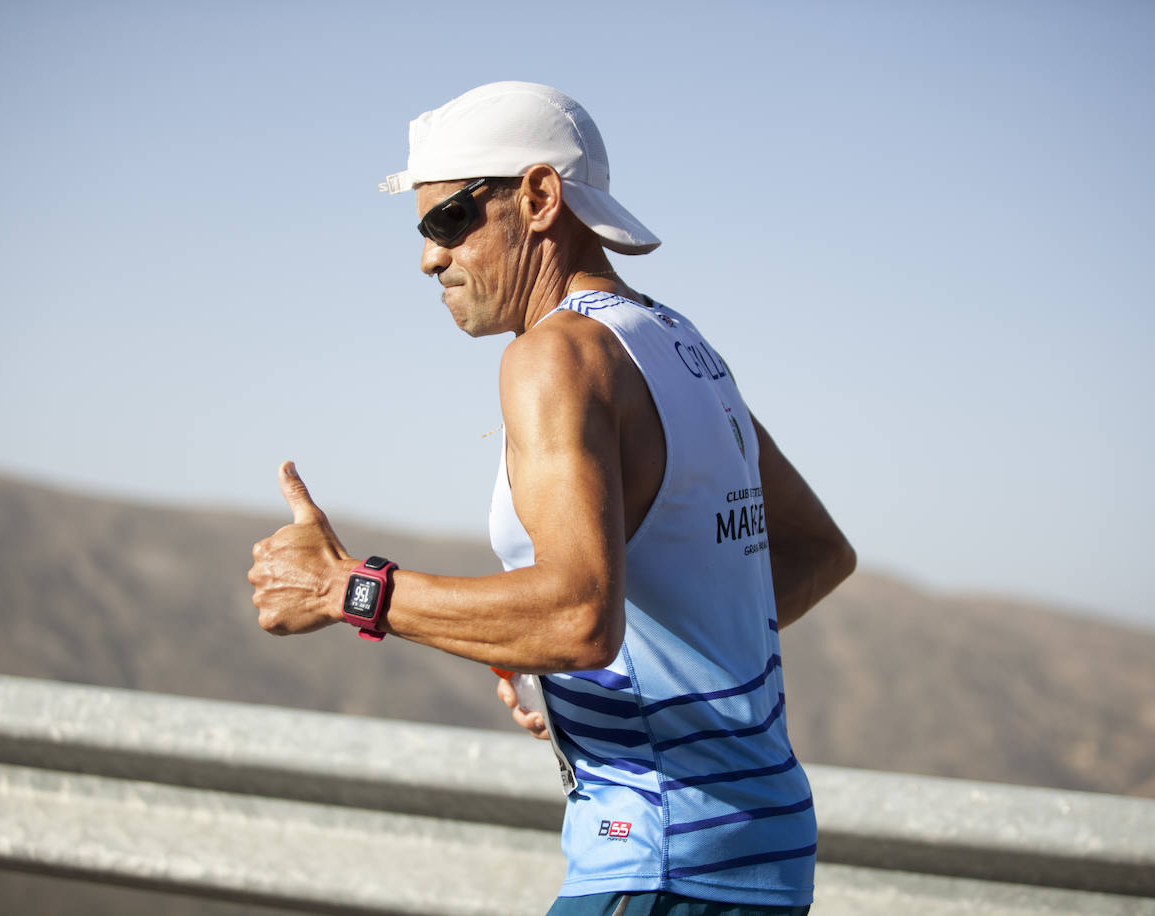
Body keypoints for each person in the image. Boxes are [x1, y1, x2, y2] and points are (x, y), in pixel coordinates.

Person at [248, 81, 855, 916]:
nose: (429, 256)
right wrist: (632, 679)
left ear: (538, 198)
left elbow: (578, 618)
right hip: (763, 851)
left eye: (448, 220)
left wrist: (344, 588)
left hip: (657, 859)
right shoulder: (679, 347)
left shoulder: (554, 358)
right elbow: (818, 551)